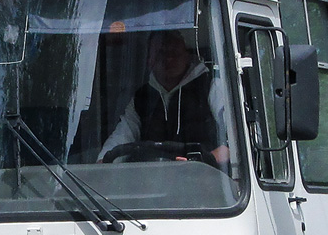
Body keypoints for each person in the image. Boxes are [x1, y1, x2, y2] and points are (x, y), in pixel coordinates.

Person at [98, 29, 230, 165]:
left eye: (175, 53)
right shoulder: (141, 98)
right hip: (151, 175)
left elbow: (233, 141)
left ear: (187, 56)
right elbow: (123, 135)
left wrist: (205, 160)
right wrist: (102, 163)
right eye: (161, 53)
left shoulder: (211, 86)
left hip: (204, 175)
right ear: (149, 60)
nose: (168, 59)